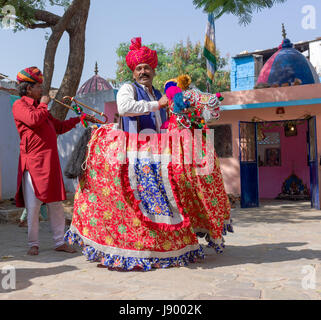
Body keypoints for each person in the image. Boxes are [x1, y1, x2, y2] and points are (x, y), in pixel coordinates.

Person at [64, 38, 232, 271]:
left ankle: (175, 238)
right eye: (139, 68)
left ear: (153, 71)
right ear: (134, 72)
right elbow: (124, 108)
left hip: (159, 149)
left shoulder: (160, 93)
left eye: (147, 68)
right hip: (133, 149)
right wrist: (158, 105)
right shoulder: (128, 89)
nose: (143, 71)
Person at [12, 66, 90, 256]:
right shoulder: (20, 105)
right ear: (28, 89)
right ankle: (34, 243)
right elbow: (33, 120)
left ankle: (59, 242)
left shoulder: (42, 109)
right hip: (33, 164)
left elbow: (59, 127)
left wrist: (78, 119)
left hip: (50, 163)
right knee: (33, 205)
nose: (42, 91)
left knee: (56, 204)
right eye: (39, 86)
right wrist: (44, 104)